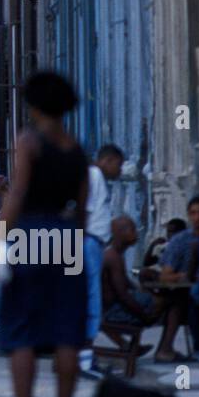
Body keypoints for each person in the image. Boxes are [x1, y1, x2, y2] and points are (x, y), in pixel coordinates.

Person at [0, 70, 88, 397]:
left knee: (22, 331)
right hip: (67, 237)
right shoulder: (77, 149)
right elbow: (82, 208)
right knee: (67, 333)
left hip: (29, 235)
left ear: (34, 105)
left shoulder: (29, 141)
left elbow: (17, 196)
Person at [80, 144, 123, 378]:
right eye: (118, 164)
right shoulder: (94, 176)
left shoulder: (93, 177)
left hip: (92, 243)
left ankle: (86, 357)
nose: (119, 170)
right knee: (91, 300)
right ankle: (86, 361)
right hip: (88, 242)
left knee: (90, 298)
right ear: (107, 160)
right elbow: (84, 212)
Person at [153, 195, 199, 362]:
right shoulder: (181, 241)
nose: (197, 217)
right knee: (186, 298)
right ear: (189, 215)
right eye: (193, 213)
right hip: (191, 289)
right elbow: (166, 274)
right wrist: (185, 276)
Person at [102, 216, 161, 328]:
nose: (136, 234)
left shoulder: (117, 255)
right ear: (120, 233)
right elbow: (123, 296)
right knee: (164, 302)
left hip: (112, 308)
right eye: (132, 230)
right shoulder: (113, 257)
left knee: (151, 298)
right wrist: (144, 317)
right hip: (113, 312)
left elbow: (127, 284)